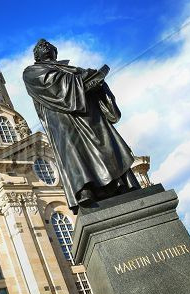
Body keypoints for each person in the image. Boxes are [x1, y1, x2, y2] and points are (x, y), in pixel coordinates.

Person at [23, 39, 140, 208]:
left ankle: (121, 183)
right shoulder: (31, 71)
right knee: (74, 152)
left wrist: (96, 82)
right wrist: (82, 80)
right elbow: (51, 84)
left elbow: (88, 81)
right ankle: (85, 189)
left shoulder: (70, 69)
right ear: (36, 56)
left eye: (48, 47)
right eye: (41, 47)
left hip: (88, 114)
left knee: (105, 144)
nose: (45, 48)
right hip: (62, 118)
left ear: (55, 53)